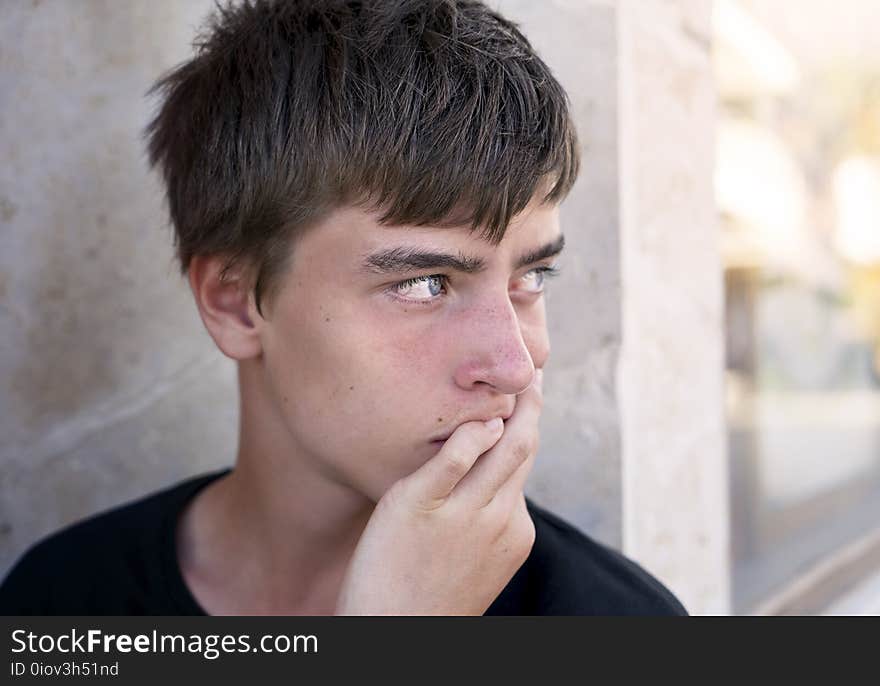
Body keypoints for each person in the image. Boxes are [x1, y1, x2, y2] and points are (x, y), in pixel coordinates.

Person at [0, 0, 686, 616]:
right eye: (426, 283)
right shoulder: (63, 600)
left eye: (533, 275)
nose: (514, 365)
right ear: (235, 303)